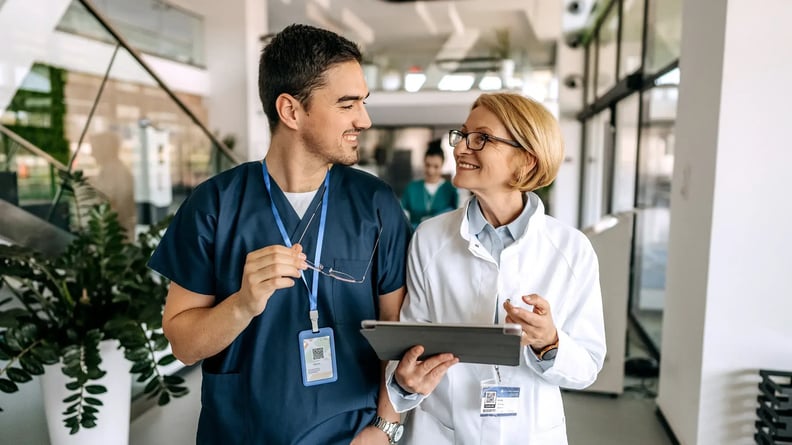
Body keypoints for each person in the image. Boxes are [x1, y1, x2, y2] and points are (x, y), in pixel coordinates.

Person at [149, 24, 411, 445]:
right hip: (238, 433)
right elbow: (183, 344)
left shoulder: (376, 204)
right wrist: (242, 304)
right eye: (347, 105)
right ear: (290, 111)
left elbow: (398, 333)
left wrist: (385, 430)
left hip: (349, 437)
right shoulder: (215, 204)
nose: (364, 119)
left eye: (363, 102)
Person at [385, 93, 606, 444]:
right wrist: (404, 381)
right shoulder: (429, 239)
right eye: (462, 135)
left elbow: (588, 367)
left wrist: (549, 342)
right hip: (443, 432)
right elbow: (414, 343)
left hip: (529, 434)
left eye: (481, 138)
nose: (459, 149)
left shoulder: (571, 250)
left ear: (526, 160)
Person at [400, 139, 458, 229]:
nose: (431, 171)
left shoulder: (450, 190)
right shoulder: (412, 188)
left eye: (436, 166)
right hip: (414, 235)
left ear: (442, 165)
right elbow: (402, 216)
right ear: (423, 162)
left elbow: (455, 219)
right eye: (428, 165)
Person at [89, 131, 136, 239]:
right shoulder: (108, 171)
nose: (92, 154)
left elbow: (116, 207)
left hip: (117, 235)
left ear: (105, 150)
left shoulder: (117, 173)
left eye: (94, 148)